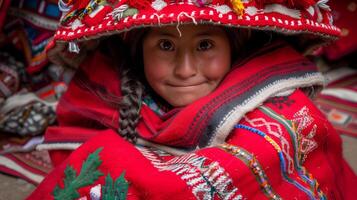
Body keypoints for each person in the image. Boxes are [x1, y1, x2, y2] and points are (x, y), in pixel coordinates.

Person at [28, 0, 356, 199]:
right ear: (137, 51)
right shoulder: (96, 106)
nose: (186, 71)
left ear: (235, 47)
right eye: (166, 46)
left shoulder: (286, 123)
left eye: (204, 45)